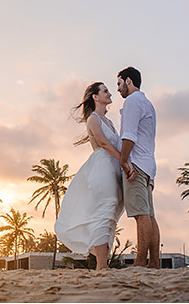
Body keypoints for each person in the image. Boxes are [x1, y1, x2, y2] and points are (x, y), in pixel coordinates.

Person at [54, 81, 126, 270]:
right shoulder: (93, 119)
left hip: (114, 168)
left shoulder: (109, 122)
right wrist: (124, 161)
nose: (110, 93)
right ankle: (101, 265)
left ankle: (103, 264)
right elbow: (103, 143)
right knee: (104, 210)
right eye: (105, 91)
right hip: (102, 168)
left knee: (111, 214)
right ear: (95, 96)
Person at [117, 66, 160, 268]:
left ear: (128, 81)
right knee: (149, 215)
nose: (118, 89)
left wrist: (123, 161)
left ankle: (140, 262)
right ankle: (154, 262)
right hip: (148, 164)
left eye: (119, 83)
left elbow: (129, 135)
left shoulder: (133, 101)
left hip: (136, 164)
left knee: (141, 215)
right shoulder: (147, 103)